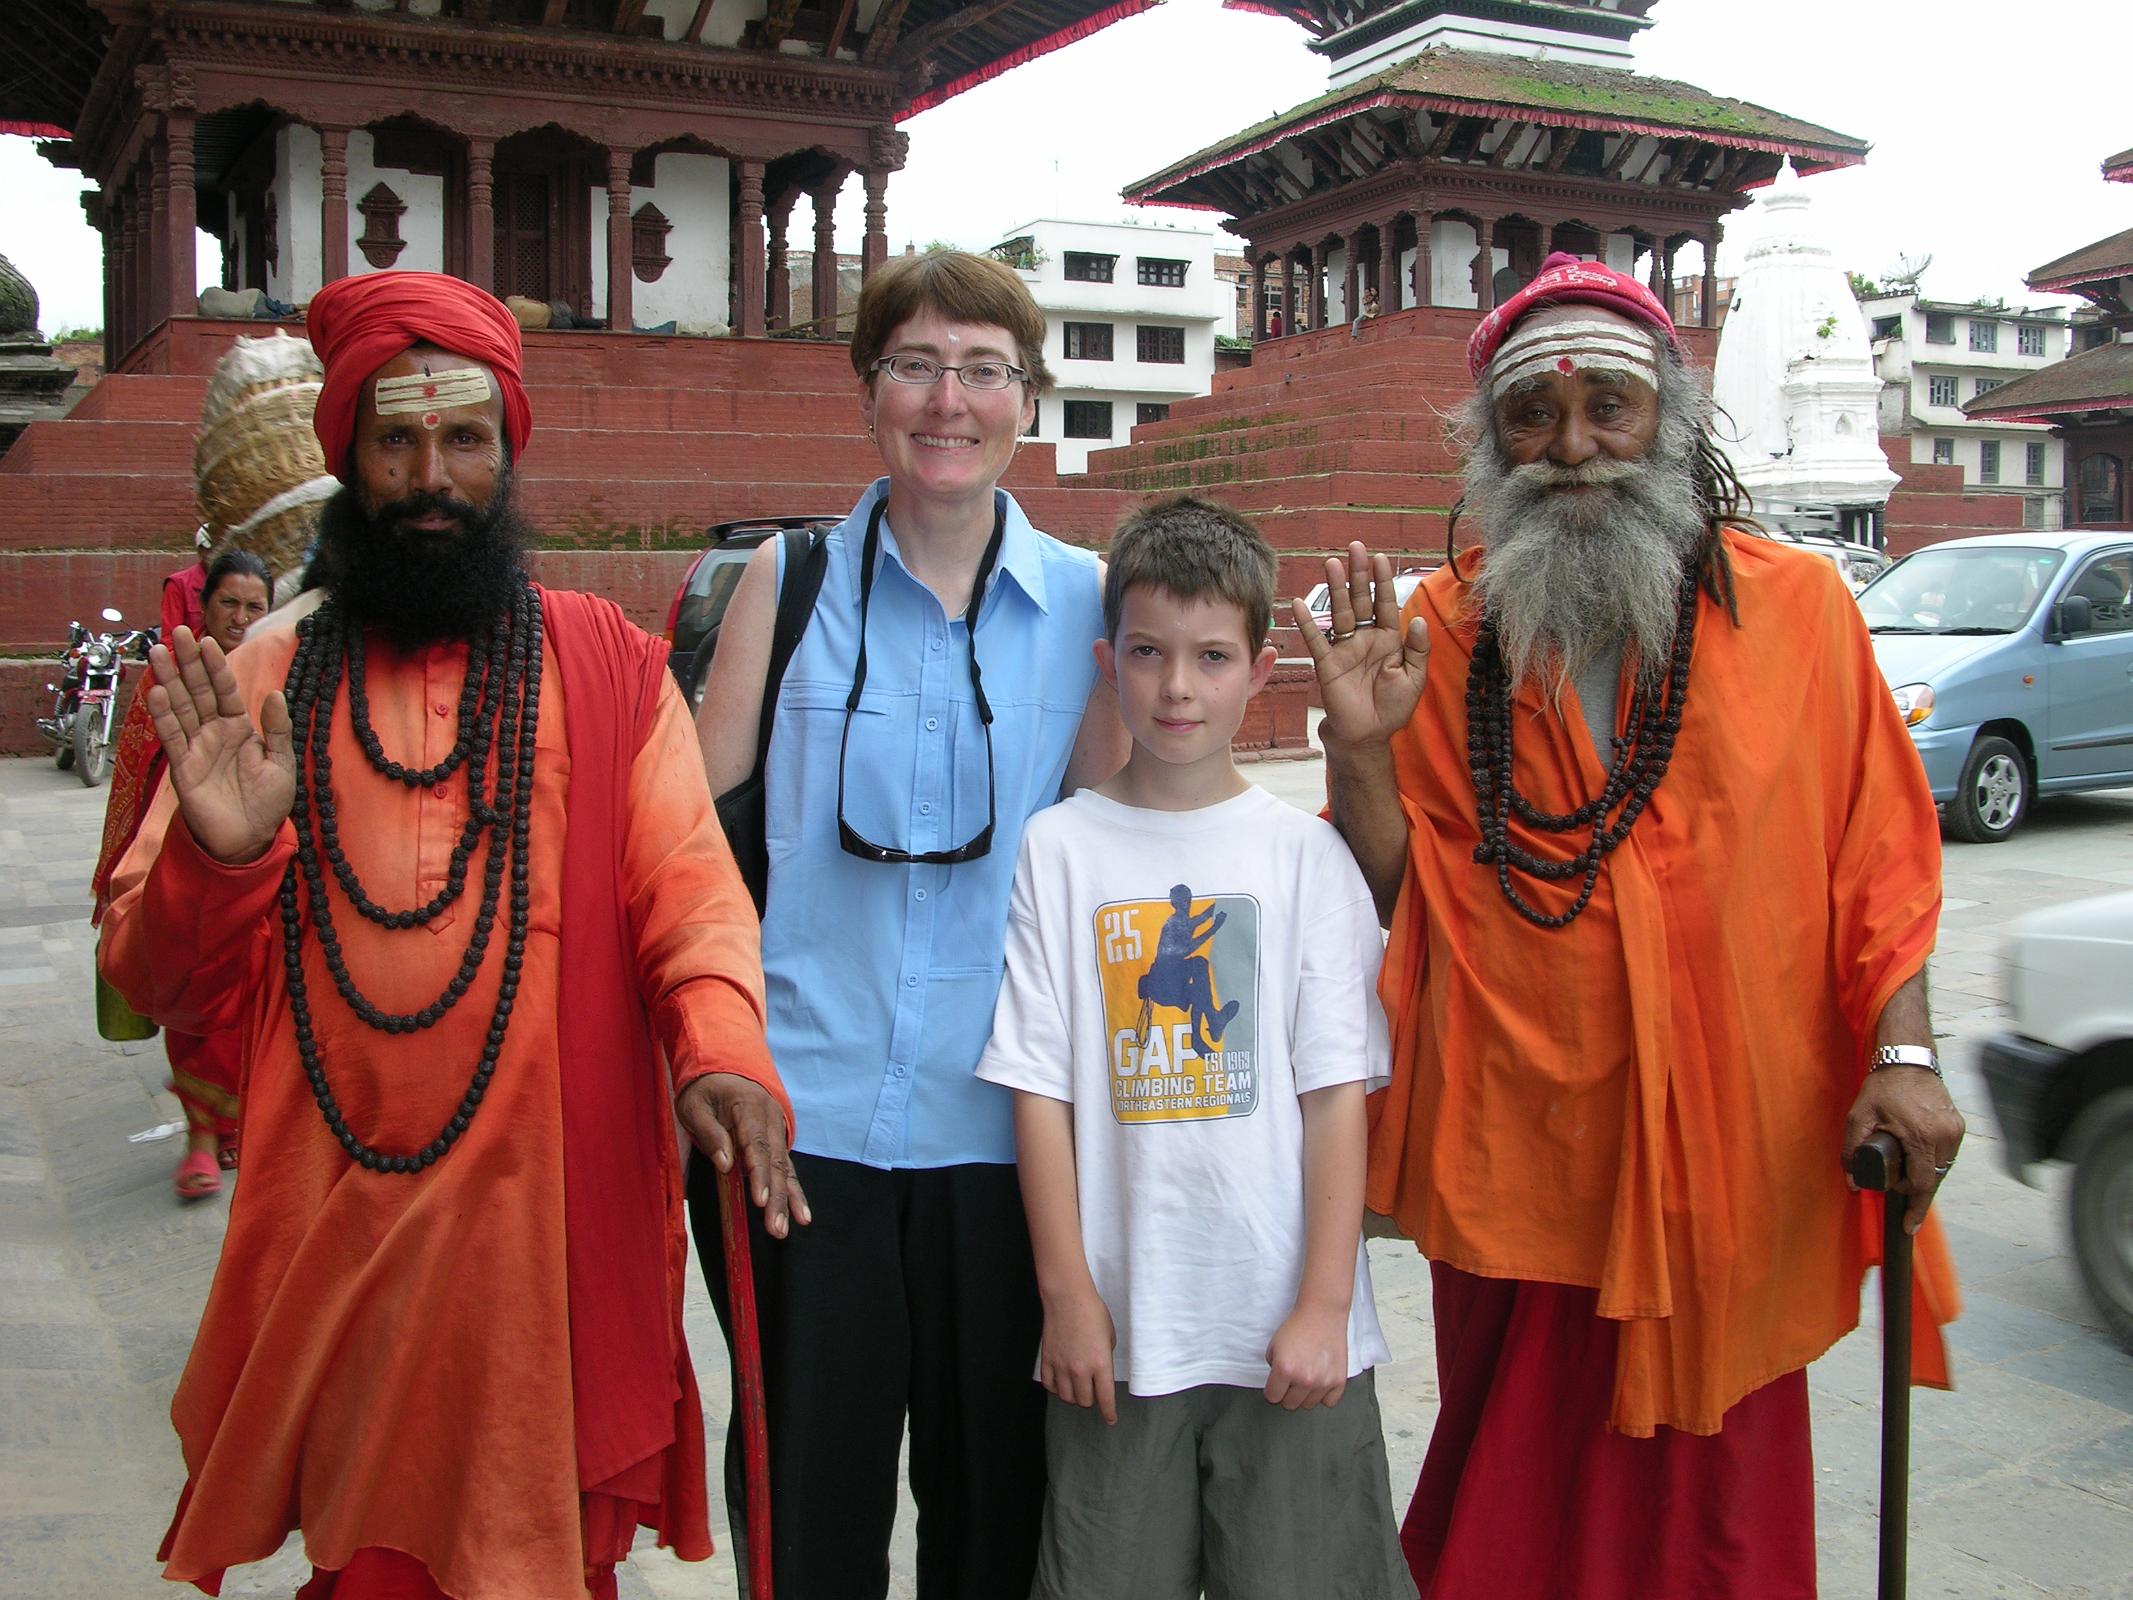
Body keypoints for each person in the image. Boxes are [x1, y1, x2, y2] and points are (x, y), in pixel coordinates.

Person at [100, 269, 798, 1600]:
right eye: (399, 441)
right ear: (349, 458)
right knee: (369, 1559)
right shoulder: (267, 676)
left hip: (539, 1235)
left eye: (465, 439)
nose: (433, 474)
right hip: (340, 1228)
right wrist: (220, 848)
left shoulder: (600, 663)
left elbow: (689, 892)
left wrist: (720, 1047)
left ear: (508, 453)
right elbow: (151, 974)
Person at [1294, 252, 1966, 1599]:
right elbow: (1398, 896)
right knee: (1512, 1507)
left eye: (1610, 407)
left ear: (1672, 419)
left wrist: (1905, 1055)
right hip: (1527, 1150)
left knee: (1720, 1531)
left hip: (1733, 1156)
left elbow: (1878, 861)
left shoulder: (1801, 613)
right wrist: (1362, 750)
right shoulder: (1440, 632)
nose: (1575, 449)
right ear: (1491, 444)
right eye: (1532, 418)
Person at [690, 248, 1130, 1598]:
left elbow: (1118, 855)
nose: (951, 400)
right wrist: (704, 1050)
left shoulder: (1093, 607)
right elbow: (691, 849)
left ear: (1029, 402)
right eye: (918, 365)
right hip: (799, 1129)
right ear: (868, 389)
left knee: (998, 1510)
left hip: (1009, 1137)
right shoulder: (787, 580)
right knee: (805, 1505)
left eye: (985, 370)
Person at [977, 494, 1414, 1600]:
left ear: (1262, 669)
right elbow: (1039, 1091)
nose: (1178, 687)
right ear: (1106, 658)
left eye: (1212, 656)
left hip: (1290, 1341)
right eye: (1150, 652)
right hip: (1122, 1338)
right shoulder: (1060, 848)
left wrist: (1323, 1304)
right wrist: (1067, 1295)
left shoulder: (1304, 860)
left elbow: (1333, 1097)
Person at [94, 548, 274, 1200]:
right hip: (180, 848)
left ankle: (231, 1125)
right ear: (206, 606)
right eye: (230, 602)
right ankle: (201, 1138)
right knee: (193, 987)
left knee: (246, 1004)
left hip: (258, 869)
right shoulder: (169, 678)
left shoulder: (282, 674)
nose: (240, 616)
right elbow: (136, 775)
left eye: (255, 606)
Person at [160, 526, 213, 643]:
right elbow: (169, 639)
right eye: (211, 550)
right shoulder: (178, 584)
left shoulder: (241, 583)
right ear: (200, 551)